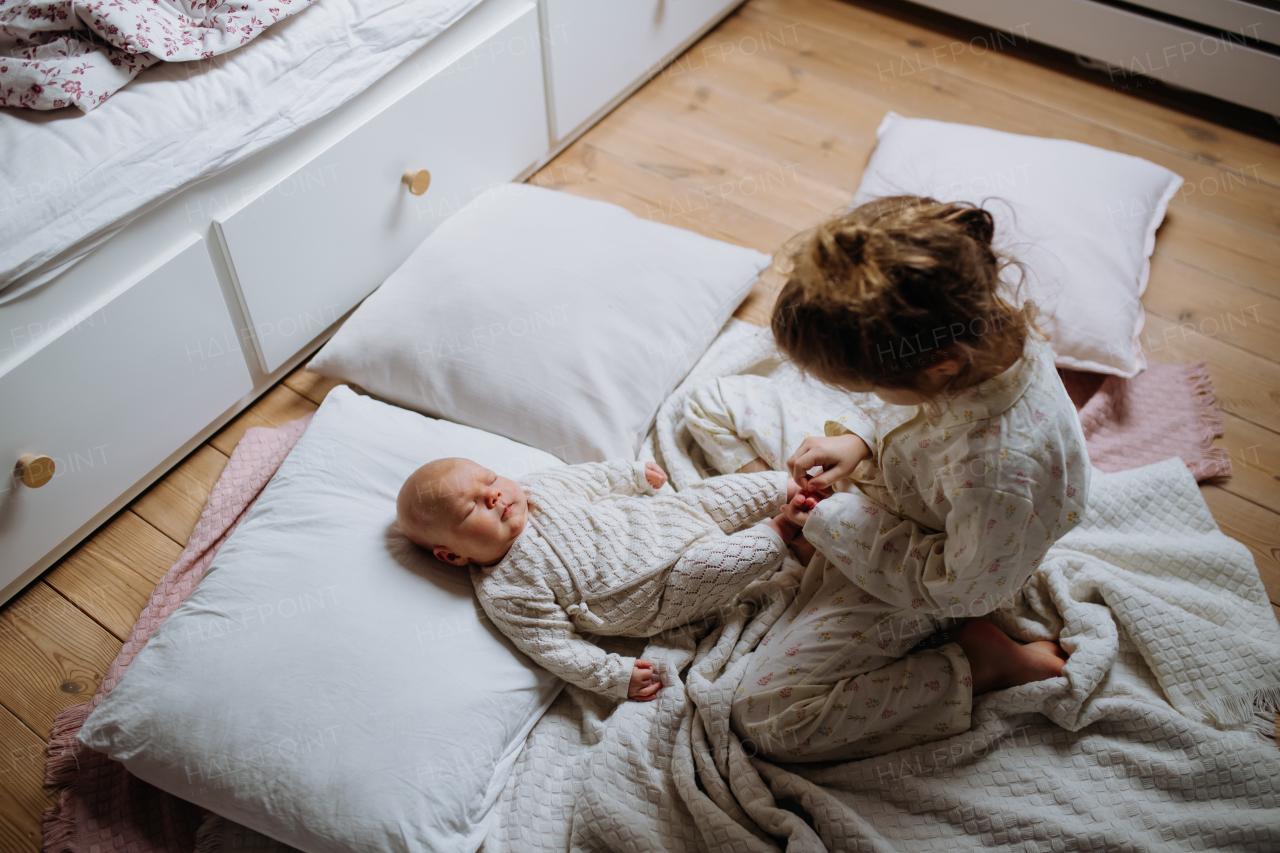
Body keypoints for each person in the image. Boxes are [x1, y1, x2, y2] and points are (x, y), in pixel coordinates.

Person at [683, 196, 1089, 760]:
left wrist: (834, 522)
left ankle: (982, 663)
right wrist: (856, 437)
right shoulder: (970, 328)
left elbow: (967, 585)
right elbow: (904, 410)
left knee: (772, 717)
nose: (866, 398)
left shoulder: (1001, 471)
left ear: (936, 368)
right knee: (708, 403)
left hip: (923, 574)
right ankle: (793, 516)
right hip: (889, 479)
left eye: (869, 387)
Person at [396, 456, 811, 702]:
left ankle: (794, 486)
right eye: (472, 509)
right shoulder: (506, 589)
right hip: (660, 596)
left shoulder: (538, 488)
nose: (494, 495)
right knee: (720, 565)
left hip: (670, 518)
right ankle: (785, 528)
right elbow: (554, 648)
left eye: (489, 479)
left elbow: (589, 478)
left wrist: (631, 474)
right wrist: (614, 676)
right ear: (453, 555)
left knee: (716, 495)